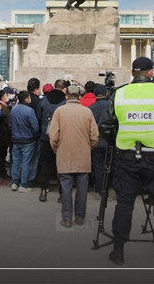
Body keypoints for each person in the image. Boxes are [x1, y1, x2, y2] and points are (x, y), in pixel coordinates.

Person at [100, 56, 154, 267]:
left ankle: (118, 252)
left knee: (124, 204)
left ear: (132, 73)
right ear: (150, 73)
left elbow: (106, 126)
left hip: (126, 157)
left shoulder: (119, 93)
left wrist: (119, 142)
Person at [49, 84, 98, 227]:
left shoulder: (59, 111)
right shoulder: (87, 112)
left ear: (66, 96)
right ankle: (80, 217)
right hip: (83, 156)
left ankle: (66, 218)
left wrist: (57, 149)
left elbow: (53, 136)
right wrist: (88, 148)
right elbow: (94, 136)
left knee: (65, 188)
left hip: (64, 155)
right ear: (80, 96)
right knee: (82, 189)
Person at [36, 79, 67, 202]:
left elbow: (38, 117)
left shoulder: (44, 100)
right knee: (61, 166)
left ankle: (43, 191)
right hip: (60, 137)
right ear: (64, 88)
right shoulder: (65, 102)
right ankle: (61, 194)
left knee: (45, 164)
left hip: (46, 136)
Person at [9, 90, 39, 193]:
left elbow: (10, 124)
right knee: (26, 162)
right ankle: (24, 184)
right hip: (28, 139)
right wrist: (34, 135)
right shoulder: (29, 111)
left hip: (16, 139)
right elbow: (35, 127)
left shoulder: (14, 109)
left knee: (16, 161)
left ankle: (14, 182)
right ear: (26, 98)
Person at [89, 84, 111, 196]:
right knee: (112, 166)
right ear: (106, 93)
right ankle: (110, 187)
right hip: (110, 141)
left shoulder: (90, 109)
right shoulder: (111, 106)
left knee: (98, 167)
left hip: (97, 141)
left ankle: (99, 189)